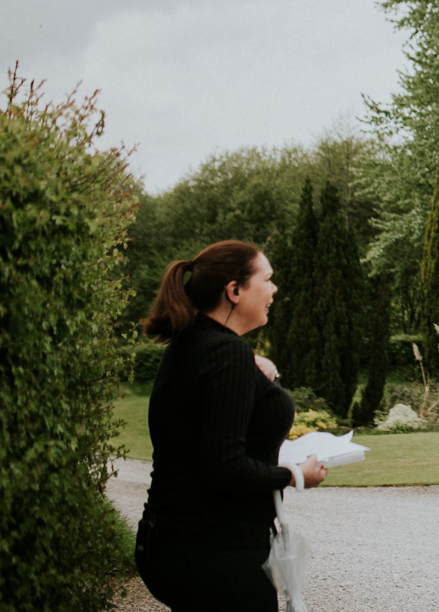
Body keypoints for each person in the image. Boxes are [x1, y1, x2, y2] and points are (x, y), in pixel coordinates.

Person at [136, 240, 326, 612]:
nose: (274, 290)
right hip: (216, 555)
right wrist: (293, 475)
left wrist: (253, 371)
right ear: (234, 291)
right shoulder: (226, 354)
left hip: (168, 541)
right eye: (267, 280)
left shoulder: (191, 344)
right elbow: (224, 467)